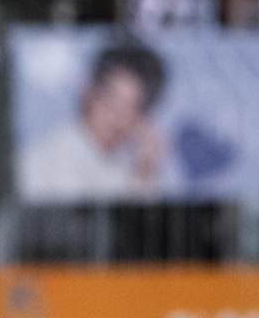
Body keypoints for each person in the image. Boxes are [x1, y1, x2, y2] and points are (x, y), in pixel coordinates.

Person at [17, 42, 176, 201]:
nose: (114, 116)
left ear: (142, 116)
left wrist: (144, 171)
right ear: (88, 90)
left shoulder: (135, 166)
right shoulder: (42, 161)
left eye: (128, 107)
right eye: (110, 99)